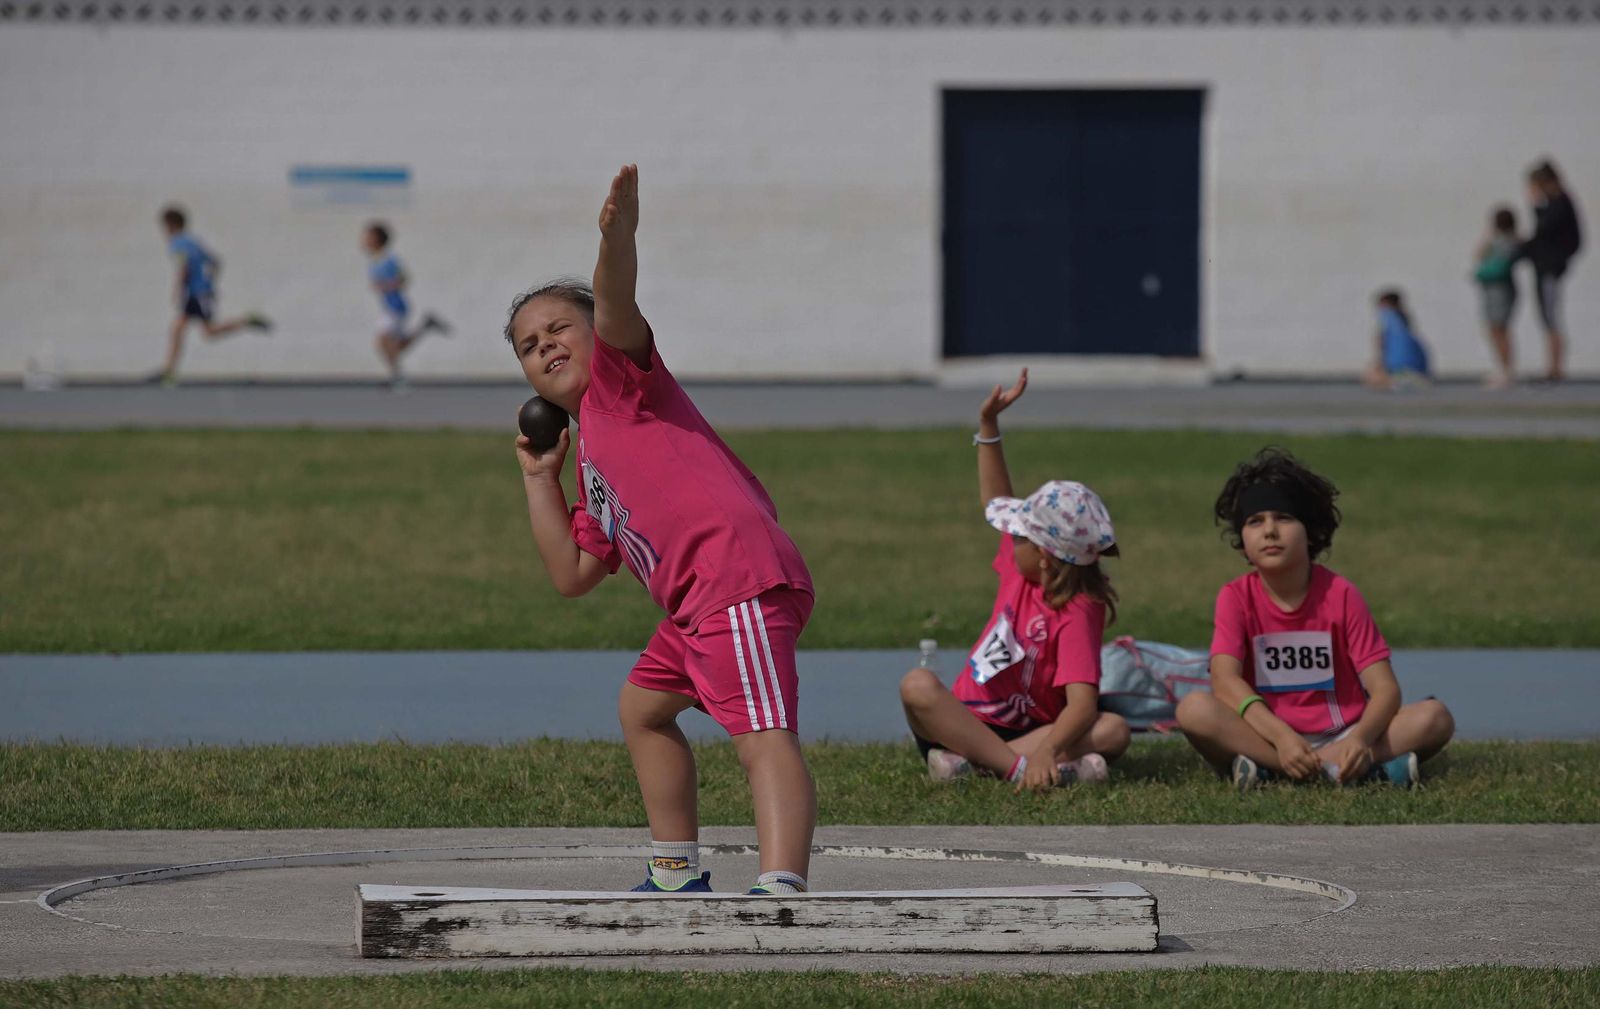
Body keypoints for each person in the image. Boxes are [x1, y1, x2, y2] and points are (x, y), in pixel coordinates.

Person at [507, 166, 815, 895]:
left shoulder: (622, 382)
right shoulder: (591, 460)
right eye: (527, 344)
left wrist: (617, 238)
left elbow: (614, 302)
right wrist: (537, 480)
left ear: (593, 335)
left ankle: (782, 888)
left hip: (734, 575)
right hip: (694, 608)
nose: (545, 344)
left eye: (559, 328)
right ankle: (675, 872)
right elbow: (573, 573)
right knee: (642, 709)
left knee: (762, 737)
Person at [897, 369, 1130, 792]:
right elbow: (996, 499)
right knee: (917, 686)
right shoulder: (1020, 571)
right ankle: (1020, 771)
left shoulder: (1079, 609)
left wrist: (1047, 748)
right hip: (965, 722)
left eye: (1019, 535)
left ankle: (976, 767)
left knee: (1112, 728)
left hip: (1034, 731)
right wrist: (989, 426)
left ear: (1044, 556)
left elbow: (1081, 706)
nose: (1010, 539)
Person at [1174, 448, 1454, 791]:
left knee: (1434, 717)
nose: (1270, 531)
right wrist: (1282, 738)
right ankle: (1334, 770)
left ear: (1311, 531)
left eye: (1284, 517)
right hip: (1267, 735)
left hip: (1344, 732)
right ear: (1243, 542)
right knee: (1194, 709)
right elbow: (1224, 681)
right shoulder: (1234, 597)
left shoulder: (1342, 594)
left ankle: (1285, 770)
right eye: (1255, 521)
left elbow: (1385, 690)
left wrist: (1362, 738)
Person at [153, 206, 271, 385]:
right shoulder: (193, 242)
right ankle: (168, 372)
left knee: (209, 332)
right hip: (201, 292)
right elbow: (215, 262)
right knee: (179, 329)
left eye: (165, 226)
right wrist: (209, 283)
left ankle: (247, 320)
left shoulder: (177, 243)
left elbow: (183, 267)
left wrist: (178, 290)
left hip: (198, 294)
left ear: (171, 225)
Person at [363, 222, 450, 391]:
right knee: (396, 346)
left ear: (378, 239)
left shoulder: (388, 260)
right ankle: (426, 326)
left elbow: (403, 279)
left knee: (383, 341)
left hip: (396, 307)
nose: (365, 240)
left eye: (369, 236)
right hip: (388, 308)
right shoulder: (373, 261)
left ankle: (398, 377)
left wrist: (387, 286)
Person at [1520, 160, 1583, 383]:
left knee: (1551, 315)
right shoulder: (1556, 204)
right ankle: (1552, 366)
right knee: (1547, 316)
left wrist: (1536, 205)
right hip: (1546, 266)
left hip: (1550, 268)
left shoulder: (1559, 205)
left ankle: (1555, 368)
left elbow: (1545, 233)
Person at [1474, 206, 1521, 389]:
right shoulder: (1503, 241)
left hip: (1500, 290)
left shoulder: (1507, 242)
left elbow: (1481, 256)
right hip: (1495, 290)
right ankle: (1503, 367)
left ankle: (1506, 370)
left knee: (1499, 329)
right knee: (1496, 329)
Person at [1362, 289, 1429, 391]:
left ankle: (1399, 381)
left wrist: (1379, 361)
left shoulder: (1388, 317)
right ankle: (1405, 379)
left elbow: (1381, 341)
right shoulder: (1403, 320)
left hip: (1400, 366)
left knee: (1371, 376)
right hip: (1417, 366)